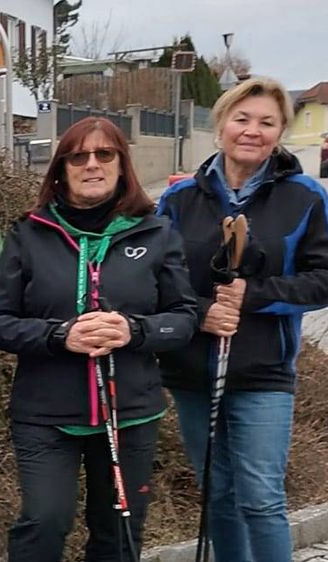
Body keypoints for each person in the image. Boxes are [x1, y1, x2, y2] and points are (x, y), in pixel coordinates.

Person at [0, 117, 197, 562]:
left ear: (122, 165)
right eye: (79, 156)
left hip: (130, 413)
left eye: (105, 155)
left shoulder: (156, 233)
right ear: (61, 169)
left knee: (118, 532)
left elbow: (184, 318)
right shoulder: (29, 234)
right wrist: (60, 335)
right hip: (46, 412)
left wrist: (134, 330)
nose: (92, 165)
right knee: (45, 521)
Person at [156, 77, 328, 562]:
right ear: (222, 124)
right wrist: (199, 312)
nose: (252, 131)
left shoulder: (305, 197)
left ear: (280, 132)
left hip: (262, 371)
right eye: (242, 119)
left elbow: (322, 278)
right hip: (192, 370)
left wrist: (254, 295)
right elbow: (157, 278)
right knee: (220, 494)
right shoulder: (179, 199)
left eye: (267, 122)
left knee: (259, 498)